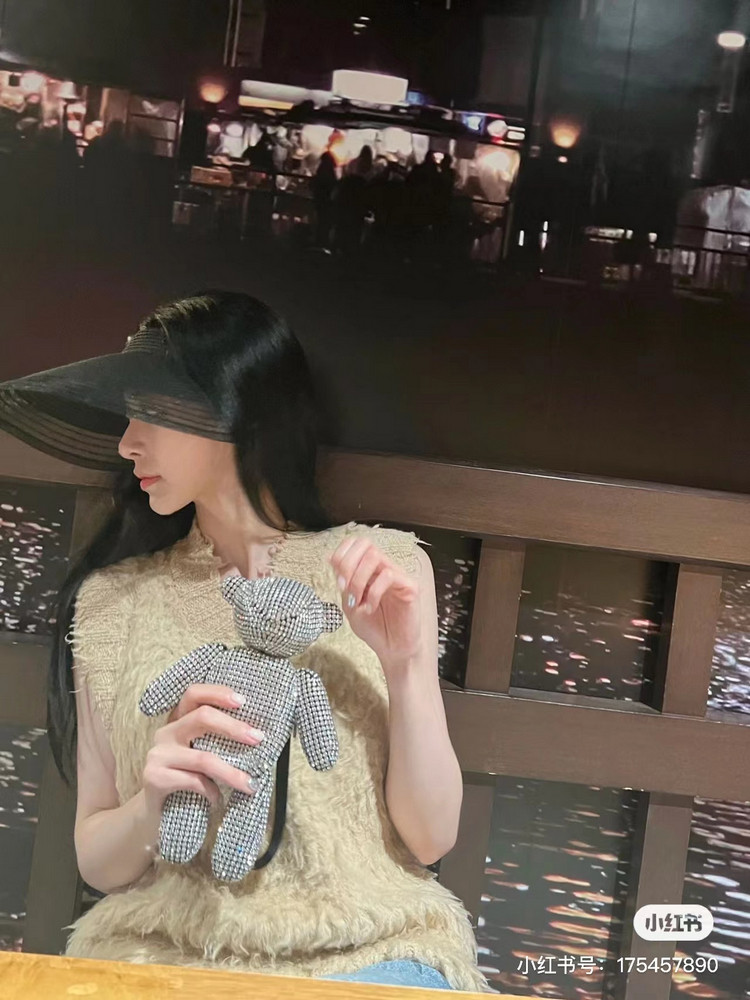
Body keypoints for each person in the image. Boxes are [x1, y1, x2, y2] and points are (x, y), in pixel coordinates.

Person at [0, 291, 490, 993]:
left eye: (150, 412)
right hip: (162, 958)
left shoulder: (379, 570)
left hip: (365, 954)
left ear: (233, 411)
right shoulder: (112, 603)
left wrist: (406, 664)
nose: (127, 442)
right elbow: (98, 860)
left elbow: (431, 835)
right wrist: (150, 805)